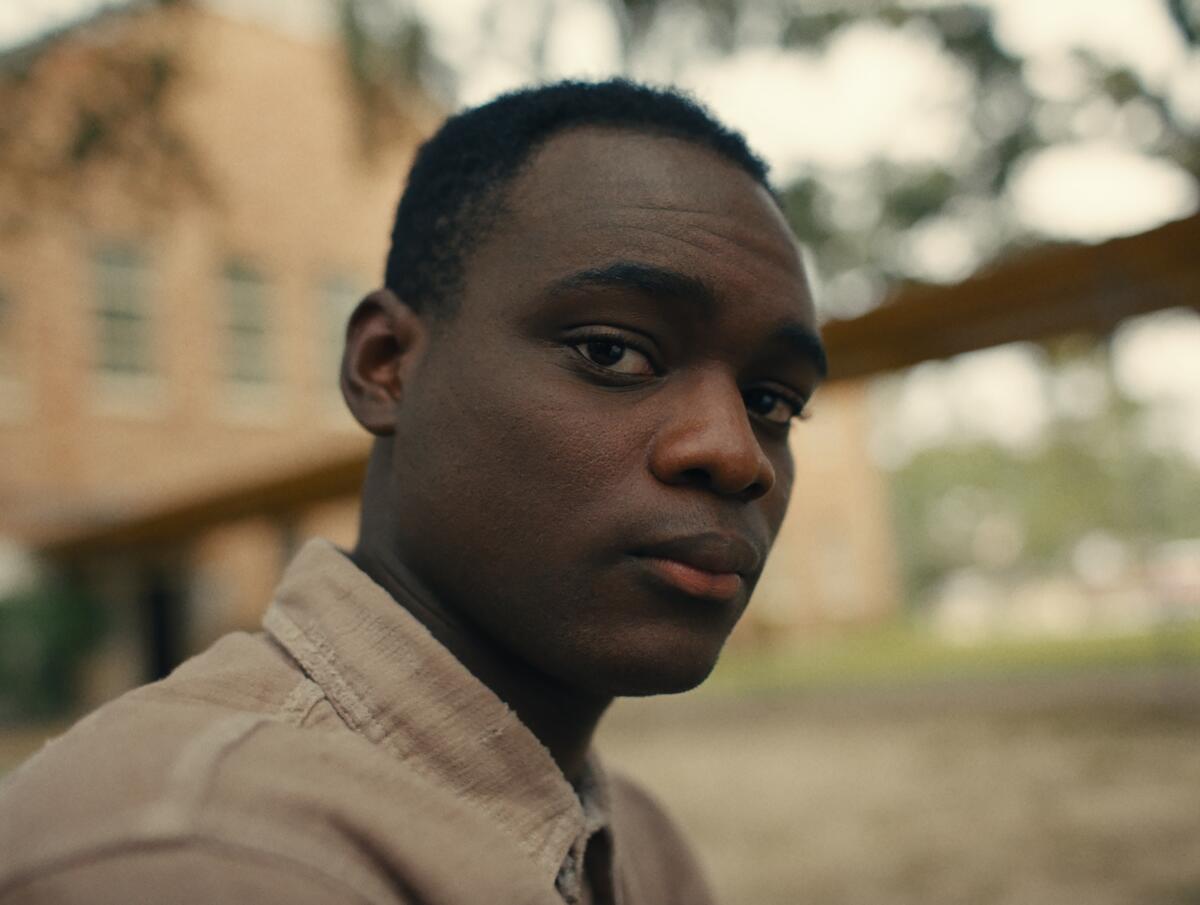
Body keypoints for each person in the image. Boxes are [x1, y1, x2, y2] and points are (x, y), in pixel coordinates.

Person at [0, 79, 826, 904]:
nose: (735, 452)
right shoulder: (196, 850)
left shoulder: (640, 845)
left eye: (772, 402)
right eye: (612, 351)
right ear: (385, 364)